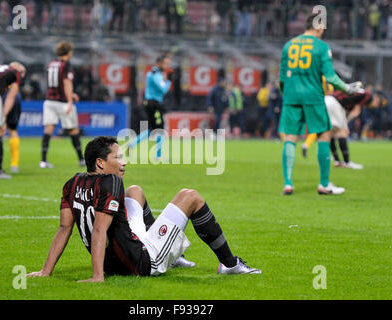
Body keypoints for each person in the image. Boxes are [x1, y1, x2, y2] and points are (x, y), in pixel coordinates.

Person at [27, 136, 261, 282]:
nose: (124, 162)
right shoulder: (112, 182)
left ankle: (173, 255)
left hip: (115, 260)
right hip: (141, 263)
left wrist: (46, 271)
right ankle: (230, 265)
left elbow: (63, 228)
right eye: (118, 157)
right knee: (191, 197)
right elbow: (99, 231)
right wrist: (97, 277)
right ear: (100, 163)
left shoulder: (72, 183)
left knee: (135, 191)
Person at [278, 13, 363, 195]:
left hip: (291, 96)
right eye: (323, 27)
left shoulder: (288, 45)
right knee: (324, 135)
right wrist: (347, 89)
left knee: (290, 137)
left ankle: (288, 183)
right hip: (313, 96)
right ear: (317, 27)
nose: (323, 31)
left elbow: (282, 79)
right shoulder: (321, 47)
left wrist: (288, 95)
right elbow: (331, 77)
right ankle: (324, 184)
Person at [302, 83, 371, 170]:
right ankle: (347, 162)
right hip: (334, 104)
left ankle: (337, 161)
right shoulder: (365, 94)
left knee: (328, 133)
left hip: (325, 101)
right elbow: (356, 111)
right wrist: (346, 123)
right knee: (341, 133)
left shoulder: (349, 90)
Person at [40, 41, 85, 169]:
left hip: (49, 101)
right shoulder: (66, 65)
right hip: (63, 102)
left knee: (48, 129)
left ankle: (43, 161)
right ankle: (81, 159)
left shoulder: (51, 64)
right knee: (73, 129)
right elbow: (66, 83)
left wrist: (71, 94)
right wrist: (70, 100)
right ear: (69, 52)